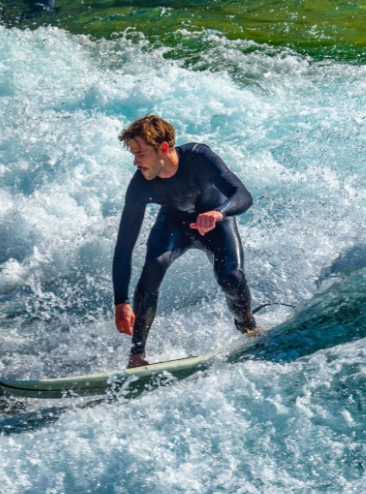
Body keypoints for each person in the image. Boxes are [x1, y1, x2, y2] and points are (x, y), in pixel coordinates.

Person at [111, 115, 260, 368]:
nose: (136, 162)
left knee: (231, 278)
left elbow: (243, 195)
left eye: (141, 154)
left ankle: (249, 329)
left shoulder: (199, 158)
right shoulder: (139, 186)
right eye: (134, 155)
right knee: (151, 270)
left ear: (164, 148)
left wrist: (219, 212)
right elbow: (124, 247)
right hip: (173, 224)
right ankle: (137, 356)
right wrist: (121, 301)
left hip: (215, 221)